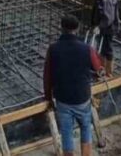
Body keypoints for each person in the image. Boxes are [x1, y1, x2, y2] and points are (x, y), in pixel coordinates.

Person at [44, 15, 104, 156]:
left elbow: (47, 77)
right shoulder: (87, 49)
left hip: (63, 99)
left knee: (66, 133)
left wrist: (48, 98)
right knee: (85, 128)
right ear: (77, 30)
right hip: (82, 97)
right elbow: (98, 69)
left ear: (61, 28)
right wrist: (98, 72)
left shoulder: (53, 49)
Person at [90, 0, 119, 77]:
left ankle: (109, 73)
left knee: (108, 50)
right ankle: (101, 70)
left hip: (108, 28)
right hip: (102, 27)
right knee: (101, 49)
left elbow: (108, 18)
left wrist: (99, 26)